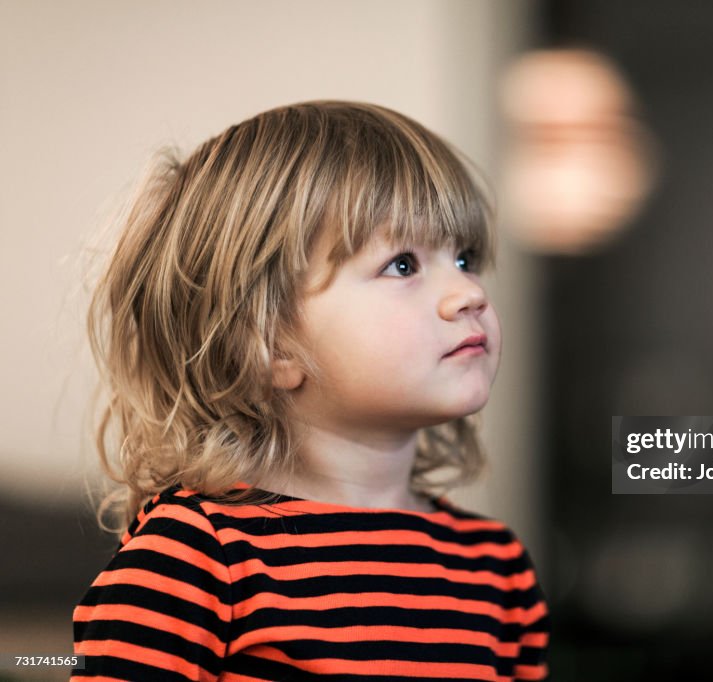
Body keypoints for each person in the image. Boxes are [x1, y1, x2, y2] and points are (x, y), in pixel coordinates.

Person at [71, 101, 549, 681]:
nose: (468, 293)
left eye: (465, 258)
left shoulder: (497, 570)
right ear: (270, 345)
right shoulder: (198, 558)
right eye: (402, 265)